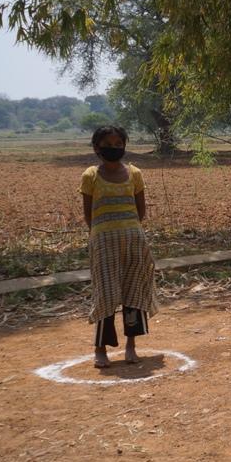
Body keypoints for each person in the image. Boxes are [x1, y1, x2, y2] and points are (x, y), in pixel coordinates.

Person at [81, 126, 157, 369]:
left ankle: (131, 346)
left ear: (124, 146)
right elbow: (89, 215)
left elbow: (140, 210)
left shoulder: (135, 173)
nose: (113, 149)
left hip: (134, 241)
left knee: (134, 292)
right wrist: (104, 233)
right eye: (107, 145)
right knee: (105, 294)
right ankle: (100, 349)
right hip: (103, 242)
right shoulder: (90, 176)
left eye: (118, 144)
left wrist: (127, 229)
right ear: (96, 148)